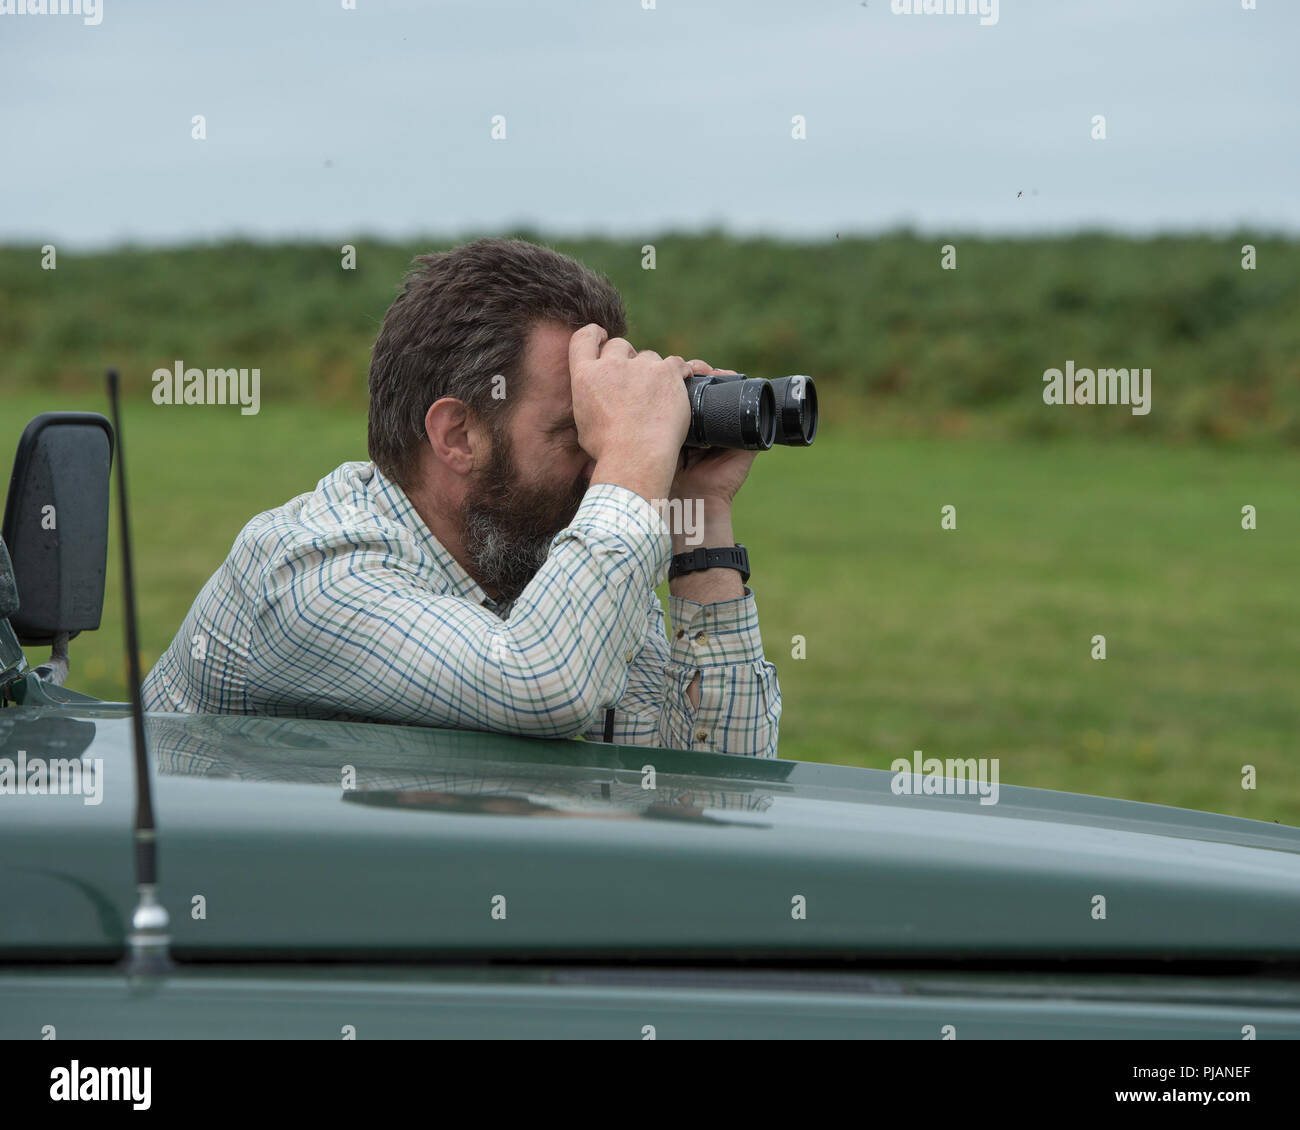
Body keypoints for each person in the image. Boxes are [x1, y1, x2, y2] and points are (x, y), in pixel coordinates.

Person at [142, 238, 781, 757]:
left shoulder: (566, 561)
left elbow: (716, 796)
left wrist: (699, 514)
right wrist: (634, 458)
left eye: (607, 429)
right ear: (458, 435)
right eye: (576, 432)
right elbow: (542, 681)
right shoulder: (306, 578)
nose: (600, 471)